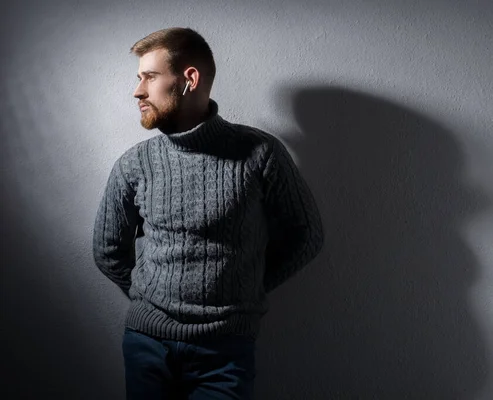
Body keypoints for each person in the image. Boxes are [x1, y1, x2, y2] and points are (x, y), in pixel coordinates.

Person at [92, 27, 324, 400]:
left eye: (149, 77)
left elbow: (307, 235)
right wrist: (149, 298)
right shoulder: (134, 163)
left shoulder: (260, 153)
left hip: (225, 353)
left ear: (189, 79)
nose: (137, 91)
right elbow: (106, 249)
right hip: (147, 346)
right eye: (139, 79)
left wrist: (245, 290)